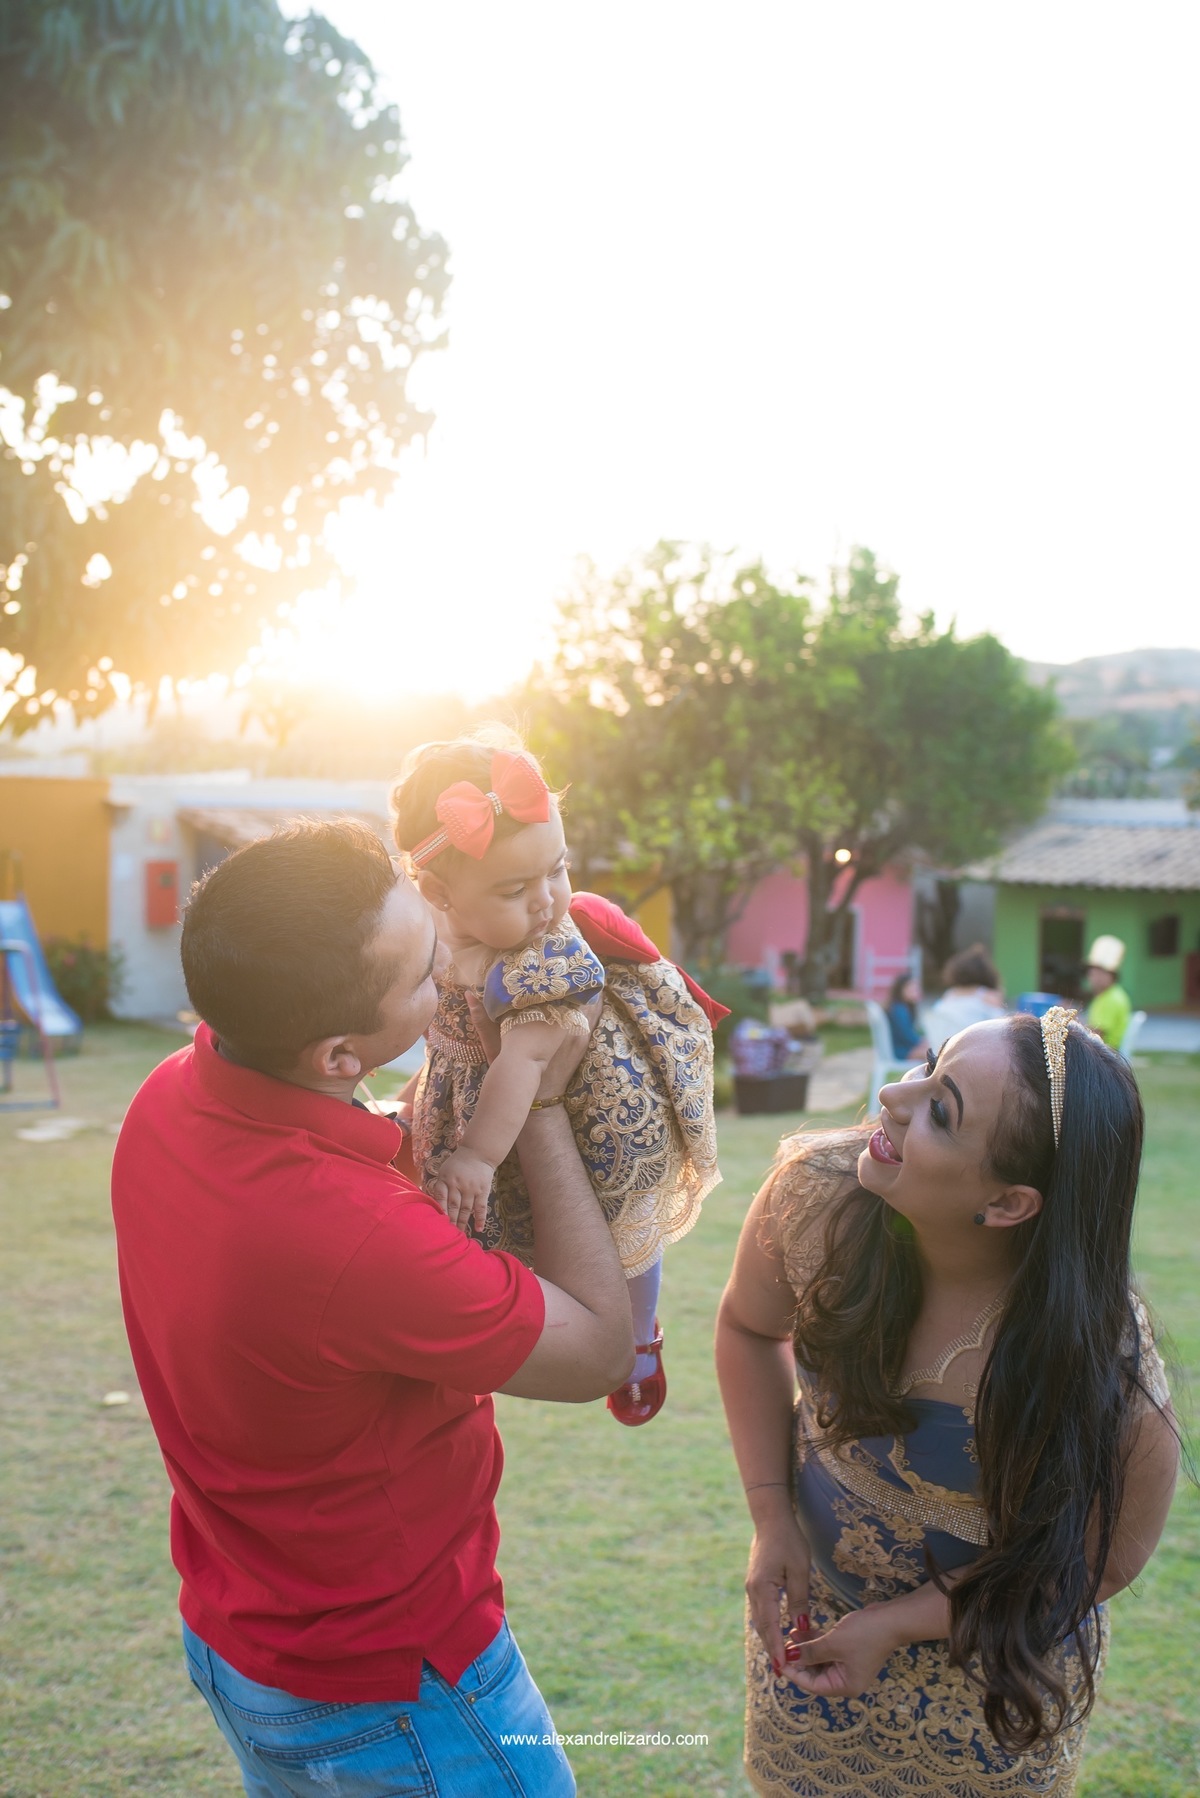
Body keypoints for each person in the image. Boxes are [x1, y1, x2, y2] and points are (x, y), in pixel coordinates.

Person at [111, 820, 636, 1798]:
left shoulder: (170, 1097)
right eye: (427, 976)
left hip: (244, 1639)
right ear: (340, 1053)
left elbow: (360, 1170)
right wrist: (546, 1104)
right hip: (398, 1686)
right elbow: (602, 1349)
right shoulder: (352, 1239)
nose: (452, 972)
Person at [716, 1008, 1179, 1796]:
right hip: (817, 1623)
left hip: (997, 1672)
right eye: (928, 1063)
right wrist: (772, 1518)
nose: (897, 1094)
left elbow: (1098, 1567)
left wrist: (896, 1624)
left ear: (1007, 1204)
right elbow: (748, 1328)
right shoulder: (817, 1202)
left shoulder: (1099, 1363)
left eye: (941, 1109)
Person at [391, 729, 723, 1427]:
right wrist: (418, 1101)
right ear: (437, 893)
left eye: (558, 870)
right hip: (489, 1100)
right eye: (516, 887)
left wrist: (478, 1155)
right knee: (499, 1232)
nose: (547, 900)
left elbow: (526, 1064)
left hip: (588, 1115)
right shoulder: (434, 940)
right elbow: (448, 1046)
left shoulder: (541, 956)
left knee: (618, 1221)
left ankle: (638, 1338)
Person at [921, 944, 1006, 1050]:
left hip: (944, 1049)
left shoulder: (948, 995)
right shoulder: (986, 995)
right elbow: (1001, 1026)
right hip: (976, 1049)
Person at [1084, 933, 1133, 1050]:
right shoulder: (1112, 994)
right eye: (1091, 972)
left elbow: (1095, 1036)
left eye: (1097, 972)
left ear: (1109, 974)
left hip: (1106, 1055)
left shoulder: (1110, 999)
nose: (1092, 977)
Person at [885, 970, 925, 1060]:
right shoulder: (899, 1010)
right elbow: (906, 1035)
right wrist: (921, 1041)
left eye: (916, 988)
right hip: (900, 1051)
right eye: (911, 989)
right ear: (900, 990)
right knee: (934, 1053)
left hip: (902, 1048)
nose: (915, 991)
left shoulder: (901, 1007)